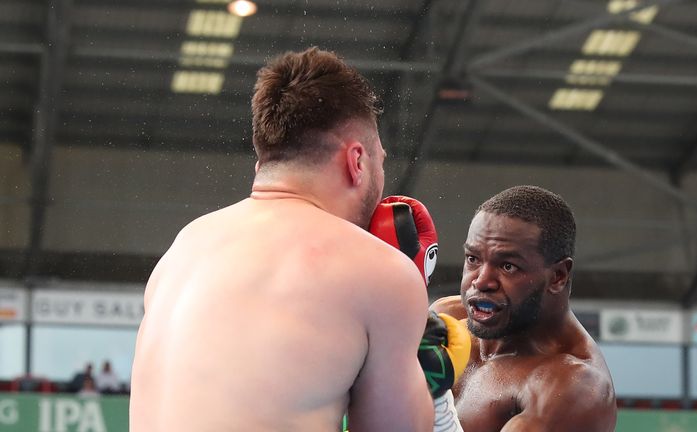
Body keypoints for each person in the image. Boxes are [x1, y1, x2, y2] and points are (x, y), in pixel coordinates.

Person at [130, 47, 448, 432]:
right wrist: (427, 372)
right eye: (381, 160)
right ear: (357, 161)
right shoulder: (380, 271)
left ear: (262, 165)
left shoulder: (185, 246)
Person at [431, 185, 617, 431]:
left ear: (558, 276)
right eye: (473, 259)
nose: (481, 281)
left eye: (508, 266)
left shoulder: (573, 389)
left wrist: (436, 401)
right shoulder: (447, 317)